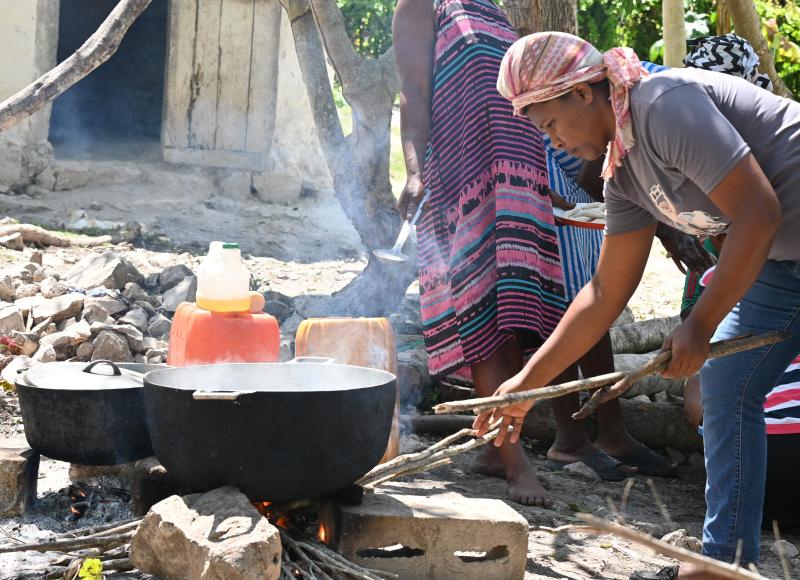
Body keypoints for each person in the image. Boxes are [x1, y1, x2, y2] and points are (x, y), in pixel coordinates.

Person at [474, 30, 800, 575]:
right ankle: (725, 564)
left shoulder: (663, 106)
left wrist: (699, 325)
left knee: (721, 376)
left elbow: (757, 214)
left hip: (776, 241)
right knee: (727, 386)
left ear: (582, 93)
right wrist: (527, 384)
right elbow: (604, 294)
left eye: (549, 123)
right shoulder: (622, 171)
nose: (550, 141)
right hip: (784, 261)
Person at [392, 0, 683, 506]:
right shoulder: (421, 5)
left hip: (520, 176)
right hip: (465, 176)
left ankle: (493, 449)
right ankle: (513, 466)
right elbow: (414, 95)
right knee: (486, 316)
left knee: (526, 310)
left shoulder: (491, 10)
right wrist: (415, 172)